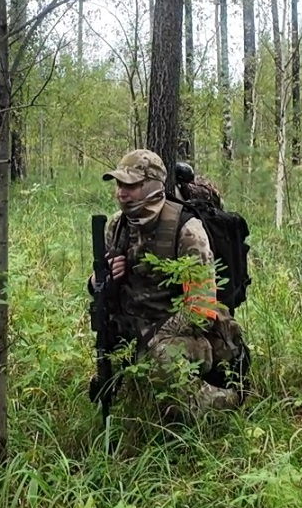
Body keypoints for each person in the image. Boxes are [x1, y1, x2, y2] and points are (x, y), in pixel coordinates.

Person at [88, 149, 248, 427]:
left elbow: (201, 307)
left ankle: (223, 400)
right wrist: (103, 279)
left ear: (151, 186)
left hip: (193, 333)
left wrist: (151, 343)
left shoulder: (187, 229)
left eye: (130, 186)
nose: (121, 193)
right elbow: (96, 286)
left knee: (161, 358)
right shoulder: (117, 225)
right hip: (136, 325)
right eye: (119, 185)